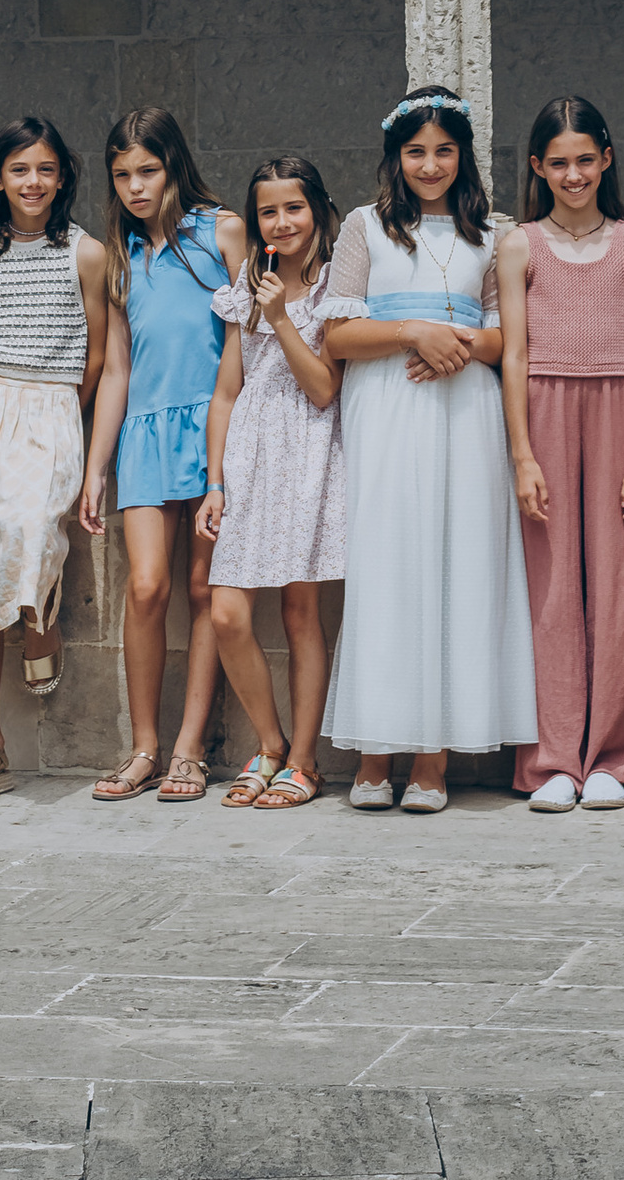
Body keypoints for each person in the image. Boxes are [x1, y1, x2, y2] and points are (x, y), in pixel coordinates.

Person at [320, 86, 537, 809]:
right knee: (389, 567)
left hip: (465, 409)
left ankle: (434, 760)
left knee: (455, 564)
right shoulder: (364, 228)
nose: (431, 164)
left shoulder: (494, 233)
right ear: (396, 156)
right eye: (417, 151)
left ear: (463, 155)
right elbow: (340, 333)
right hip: (388, 405)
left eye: (444, 150)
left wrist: (459, 344)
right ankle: (375, 756)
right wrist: (415, 332)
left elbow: (510, 336)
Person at [0, 115, 110, 804]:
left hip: (53, 404)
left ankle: (41, 621)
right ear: (0, 178)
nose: (32, 181)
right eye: (19, 170)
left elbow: (96, 348)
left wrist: (69, 407)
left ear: (63, 175)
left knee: (38, 527)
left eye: (44, 168)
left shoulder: (88, 253)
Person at [80, 106, 245, 803]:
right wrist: (96, 465)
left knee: (208, 589)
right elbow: (115, 367)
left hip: (214, 427)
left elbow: (248, 337)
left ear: (174, 163)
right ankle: (143, 744)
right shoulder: (120, 254)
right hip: (143, 434)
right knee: (147, 586)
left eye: (147, 170)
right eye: (122, 175)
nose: (136, 187)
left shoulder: (223, 231)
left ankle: (189, 749)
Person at [500, 94, 624, 811]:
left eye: (585, 161)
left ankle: (615, 758)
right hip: (543, 411)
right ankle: (554, 759)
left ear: (607, 158)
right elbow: (511, 355)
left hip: (619, 409)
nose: (573, 175)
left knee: (620, 586)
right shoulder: (518, 244)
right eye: (559, 163)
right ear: (538, 166)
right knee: (553, 586)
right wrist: (522, 456)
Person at [196, 150, 346, 810]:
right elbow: (227, 391)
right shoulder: (245, 287)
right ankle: (270, 742)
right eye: (268, 212)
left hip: (310, 450)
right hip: (249, 454)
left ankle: (305, 761)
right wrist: (216, 482)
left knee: (299, 611)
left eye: (294, 207)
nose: (282, 222)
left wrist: (283, 316)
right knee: (226, 610)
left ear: (316, 211)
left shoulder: (336, 287)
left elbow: (322, 389)